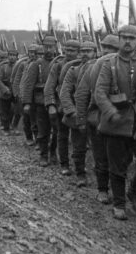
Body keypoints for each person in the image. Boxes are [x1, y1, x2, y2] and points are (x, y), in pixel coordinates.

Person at [94, 25, 136, 220]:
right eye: (124, 37)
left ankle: (134, 193)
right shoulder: (109, 64)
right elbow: (100, 92)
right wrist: (110, 111)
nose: (127, 41)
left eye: (132, 38)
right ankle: (119, 203)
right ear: (119, 39)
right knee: (117, 166)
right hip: (116, 122)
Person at [76, 34, 120, 203]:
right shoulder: (93, 68)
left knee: (120, 160)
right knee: (101, 157)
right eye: (106, 48)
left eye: (113, 49)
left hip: (119, 119)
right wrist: (81, 119)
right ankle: (102, 189)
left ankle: (120, 194)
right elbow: (81, 95)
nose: (109, 52)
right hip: (98, 119)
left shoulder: (125, 68)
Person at [59, 39, 97, 187]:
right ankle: (80, 174)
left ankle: (101, 178)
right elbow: (64, 93)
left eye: (88, 51)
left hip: (96, 115)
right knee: (79, 147)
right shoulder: (73, 71)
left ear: (95, 53)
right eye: (82, 51)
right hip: (78, 113)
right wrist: (72, 111)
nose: (85, 54)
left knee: (99, 148)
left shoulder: (102, 68)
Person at [21, 35, 58, 166]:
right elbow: (28, 84)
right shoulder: (36, 64)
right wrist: (27, 103)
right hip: (40, 103)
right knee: (43, 130)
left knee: (57, 131)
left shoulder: (59, 63)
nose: (48, 50)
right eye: (46, 47)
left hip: (57, 103)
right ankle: (43, 154)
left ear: (55, 47)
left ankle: (53, 152)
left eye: (51, 47)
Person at [45, 39, 80, 174]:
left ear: (78, 52)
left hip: (79, 106)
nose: (69, 53)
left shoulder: (84, 65)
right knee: (62, 135)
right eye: (67, 50)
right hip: (62, 105)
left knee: (79, 138)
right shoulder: (58, 66)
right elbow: (49, 87)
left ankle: (79, 165)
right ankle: (64, 164)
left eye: (73, 51)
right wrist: (51, 104)